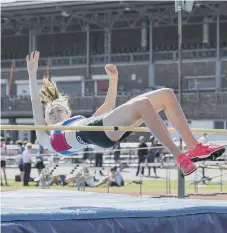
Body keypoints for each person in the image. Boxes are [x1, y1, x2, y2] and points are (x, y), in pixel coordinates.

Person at [27, 51, 225, 176]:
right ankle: (179, 156)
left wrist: (114, 79)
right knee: (143, 103)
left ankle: (194, 147)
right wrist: (31, 74)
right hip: (95, 133)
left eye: (58, 109)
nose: (54, 111)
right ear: (45, 120)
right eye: (51, 111)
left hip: (100, 126)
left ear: (68, 112)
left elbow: (109, 104)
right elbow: (36, 102)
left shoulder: (80, 120)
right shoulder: (46, 136)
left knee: (166, 95)